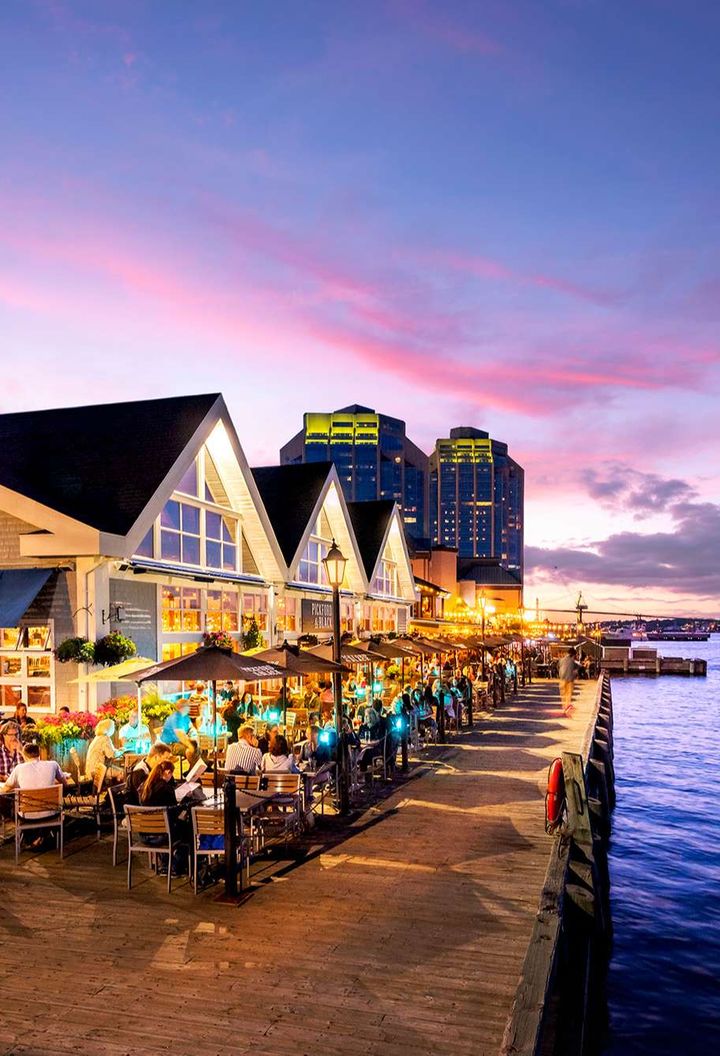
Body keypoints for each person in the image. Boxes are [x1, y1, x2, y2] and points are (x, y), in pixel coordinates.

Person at [1, 742, 68, 819]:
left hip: (27, 816)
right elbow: (64, 783)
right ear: (39, 754)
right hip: (51, 814)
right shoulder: (53, 764)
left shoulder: (19, 768)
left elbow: (6, 788)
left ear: (25, 756)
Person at [158, 701, 200, 766]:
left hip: (180, 742)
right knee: (190, 750)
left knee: (197, 745)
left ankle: (201, 766)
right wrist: (190, 745)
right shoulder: (175, 718)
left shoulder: (185, 716)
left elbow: (191, 728)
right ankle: (193, 770)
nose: (189, 708)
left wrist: (193, 737)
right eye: (187, 706)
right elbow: (180, 735)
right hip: (170, 745)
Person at [86, 719, 124, 783]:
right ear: (109, 728)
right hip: (98, 771)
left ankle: (111, 789)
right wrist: (122, 751)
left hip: (91, 769)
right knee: (122, 772)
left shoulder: (98, 737)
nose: (114, 729)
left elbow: (110, 751)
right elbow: (111, 755)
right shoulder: (105, 738)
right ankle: (114, 791)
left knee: (118, 770)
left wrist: (118, 751)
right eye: (113, 727)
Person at [558, 647, 578, 715]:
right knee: (568, 694)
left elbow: (559, 666)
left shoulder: (561, 660)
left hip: (562, 679)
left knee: (563, 695)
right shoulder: (572, 661)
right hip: (570, 680)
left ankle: (564, 708)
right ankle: (567, 708)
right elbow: (576, 668)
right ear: (574, 655)